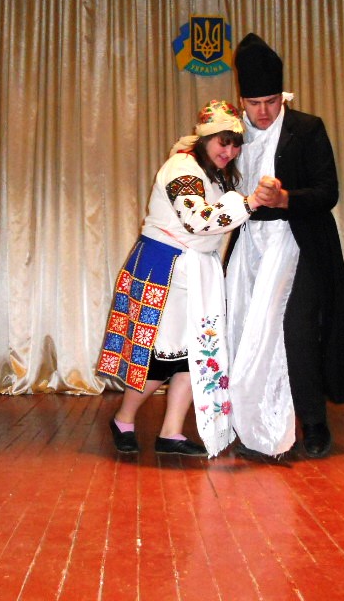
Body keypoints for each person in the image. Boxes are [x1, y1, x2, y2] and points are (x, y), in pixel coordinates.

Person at [96, 99, 269, 458]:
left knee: (195, 354)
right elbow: (198, 220)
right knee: (160, 358)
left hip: (196, 269)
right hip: (165, 268)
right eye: (223, 142)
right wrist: (249, 202)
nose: (230, 151)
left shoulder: (212, 172)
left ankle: (171, 432)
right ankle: (123, 419)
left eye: (235, 145)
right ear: (205, 138)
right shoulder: (182, 168)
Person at [225, 33, 344, 459]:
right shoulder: (232, 135)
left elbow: (328, 192)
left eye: (271, 102)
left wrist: (285, 199)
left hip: (299, 244)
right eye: (254, 103)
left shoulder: (307, 129)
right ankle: (251, 422)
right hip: (250, 247)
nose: (263, 112)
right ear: (242, 101)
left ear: (283, 96)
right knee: (245, 330)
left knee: (295, 330)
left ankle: (313, 422)